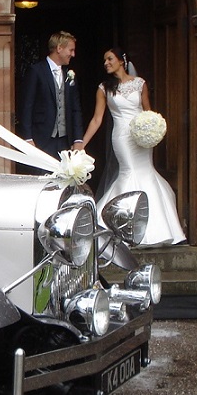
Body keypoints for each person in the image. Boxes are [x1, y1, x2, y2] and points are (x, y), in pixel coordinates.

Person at [81, 48, 186, 247]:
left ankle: (157, 229)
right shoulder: (104, 88)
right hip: (121, 136)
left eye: (110, 59)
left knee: (146, 171)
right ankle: (115, 225)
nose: (106, 63)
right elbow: (97, 119)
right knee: (128, 172)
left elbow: (148, 111)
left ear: (122, 61)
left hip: (141, 136)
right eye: (104, 60)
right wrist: (82, 143)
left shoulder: (140, 84)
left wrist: (153, 130)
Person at [16, 31, 84, 173]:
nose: (73, 54)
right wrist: (27, 138)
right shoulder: (36, 71)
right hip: (41, 139)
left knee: (64, 177)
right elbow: (26, 106)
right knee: (42, 177)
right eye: (71, 50)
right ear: (59, 48)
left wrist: (78, 139)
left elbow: (75, 109)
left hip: (65, 140)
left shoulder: (69, 75)